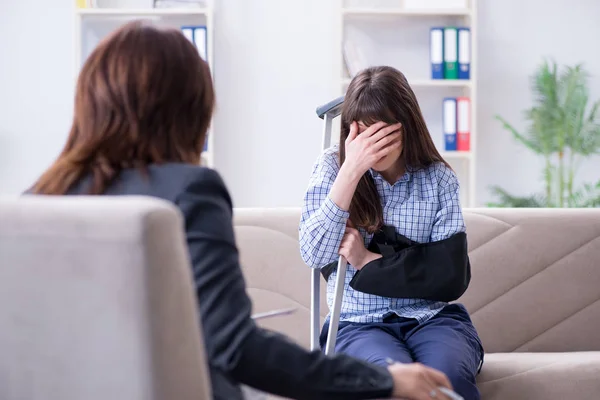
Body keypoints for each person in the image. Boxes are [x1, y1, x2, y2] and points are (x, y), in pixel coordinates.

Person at [28, 22, 454, 400]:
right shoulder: (191, 192)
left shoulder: (37, 201)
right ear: (190, 109)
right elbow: (236, 347)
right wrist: (386, 383)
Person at [299, 66, 485, 400]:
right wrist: (351, 171)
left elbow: (449, 276)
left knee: (447, 380)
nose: (373, 146)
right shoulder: (331, 167)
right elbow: (314, 253)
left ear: (407, 125)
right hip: (358, 322)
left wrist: (366, 261)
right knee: (393, 383)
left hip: (431, 318)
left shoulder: (438, 179)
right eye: (363, 134)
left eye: (382, 134)